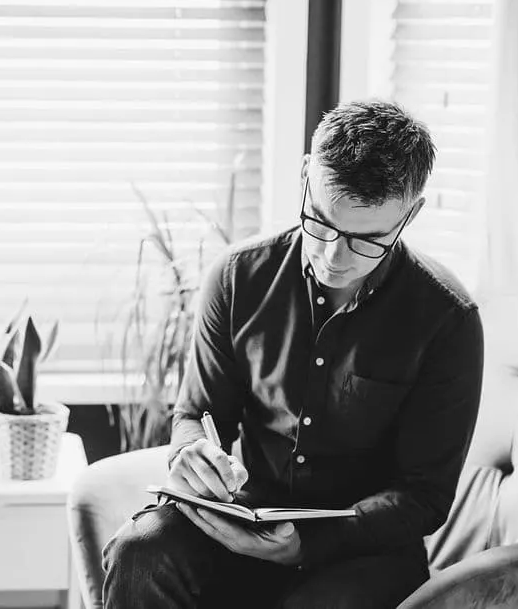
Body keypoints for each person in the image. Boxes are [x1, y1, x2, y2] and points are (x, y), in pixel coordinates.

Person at [102, 100, 485, 609]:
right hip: (246, 516)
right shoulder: (237, 278)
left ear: (410, 213)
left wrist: (310, 543)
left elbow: (425, 496)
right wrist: (191, 453)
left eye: (366, 241)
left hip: (365, 550)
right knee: (139, 551)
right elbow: (197, 413)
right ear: (307, 175)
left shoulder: (448, 319)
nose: (333, 256)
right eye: (321, 222)